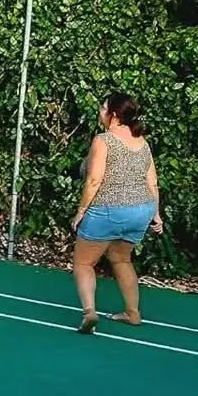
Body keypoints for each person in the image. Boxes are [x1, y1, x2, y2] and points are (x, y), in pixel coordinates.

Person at [71, 93, 163, 334]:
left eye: (103, 108)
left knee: (83, 262)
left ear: (112, 115)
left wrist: (81, 212)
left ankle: (89, 312)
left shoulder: (103, 140)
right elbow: (152, 182)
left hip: (110, 209)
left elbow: (93, 181)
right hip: (141, 210)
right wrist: (156, 214)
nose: (100, 111)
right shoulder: (141, 140)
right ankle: (133, 314)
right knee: (121, 259)